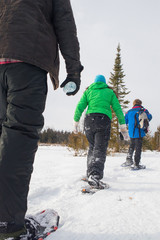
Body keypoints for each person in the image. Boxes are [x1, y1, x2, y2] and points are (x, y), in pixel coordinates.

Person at [0, 0, 83, 239]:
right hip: (26, 61)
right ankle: (8, 225)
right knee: (18, 138)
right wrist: (73, 71)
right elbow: (66, 25)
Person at [73, 75, 128, 188]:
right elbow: (117, 109)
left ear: (95, 82)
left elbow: (80, 106)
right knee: (100, 148)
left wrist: (76, 122)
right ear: (104, 83)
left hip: (89, 121)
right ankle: (95, 176)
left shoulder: (89, 91)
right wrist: (122, 127)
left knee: (92, 147)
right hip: (103, 120)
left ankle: (90, 173)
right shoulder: (109, 92)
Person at [122, 99, 152, 170]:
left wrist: (122, 133)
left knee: (131, 146)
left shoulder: (129, 112)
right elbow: (150, 117)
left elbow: (124, 122)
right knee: (138, 148)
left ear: (133, 104)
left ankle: (129, 160)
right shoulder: (144, 110)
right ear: (140, 104)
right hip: (140, 132)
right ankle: (136, 164)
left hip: (131, 133)